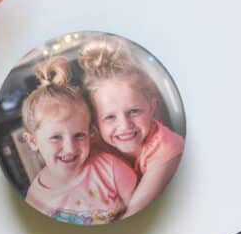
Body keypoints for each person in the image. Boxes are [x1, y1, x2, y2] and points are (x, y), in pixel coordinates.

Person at [21, 56, 137, 225]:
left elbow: (141, 210)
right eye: (56, 137)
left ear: (90, 132)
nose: (70, 148)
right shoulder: (36, 200)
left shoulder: (110, 168)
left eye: (79, 135)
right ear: (32, 141)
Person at [79, 37, 185, 218]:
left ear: (152, 107)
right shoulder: (93, 146)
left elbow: (133, 215)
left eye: (134, 111)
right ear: (95, 123)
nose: (125, 125)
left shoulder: (168, 148)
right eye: (110, 117)